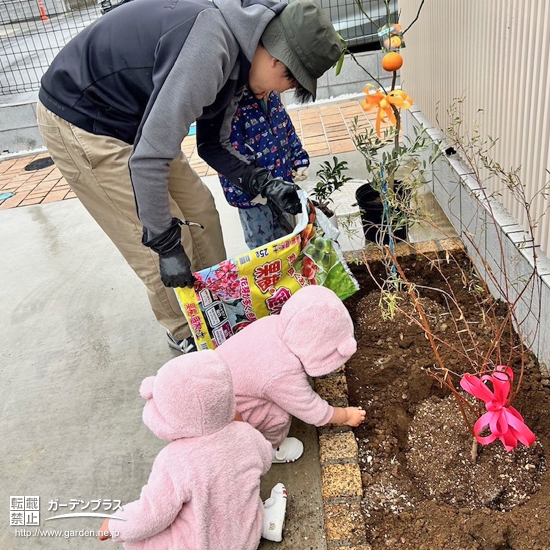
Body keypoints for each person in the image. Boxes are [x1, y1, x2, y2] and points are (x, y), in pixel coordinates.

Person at [36, 0, 343, 354]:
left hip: (138, 121)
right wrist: (165, 244)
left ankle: (218, 311)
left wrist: (263, 182)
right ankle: (188, 334)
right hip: (85, 119)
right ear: (276, 55)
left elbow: (213, 144)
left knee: (202, 212)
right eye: (289, 79)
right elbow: (149, 160)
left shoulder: (243, 58)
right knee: (153, 243)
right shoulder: (209, 50)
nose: (281, 91)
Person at [98, 350, 288, 547]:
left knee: (137, 542)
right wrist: (242, 427)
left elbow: (152, 514)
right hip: (246, 540)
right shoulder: (246, 435)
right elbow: (265, 461)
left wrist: (114, 525)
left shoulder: (174, 460)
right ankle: (264, 523)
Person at [215, 285, 366, 463]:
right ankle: (265, 449)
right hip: (226, 420)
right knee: (278, 416)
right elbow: (312, 410)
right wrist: (346, 416)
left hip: (217, 390)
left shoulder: (272, 323)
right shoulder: (283, 374)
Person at [218, 87, 310, 249]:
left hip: (280, 189)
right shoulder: (234, 106)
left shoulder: (273, 98)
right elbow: (228, 157)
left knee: (287, 240)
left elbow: (287, 130)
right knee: (262, 247)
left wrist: (299, 159)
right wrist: (246, 194)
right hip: (253, 197)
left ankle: (286, 270)